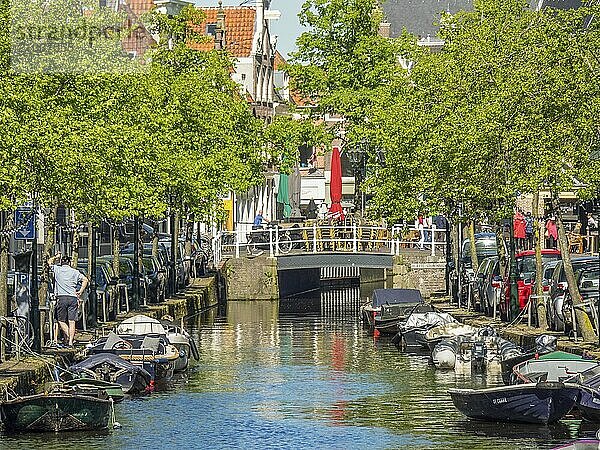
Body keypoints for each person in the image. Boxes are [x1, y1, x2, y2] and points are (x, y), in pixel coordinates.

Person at [48, 252, 88, 347]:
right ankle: (70, 341)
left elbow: (49, 262)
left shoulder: (57, 269)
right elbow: (85, 280)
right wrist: (80, 291)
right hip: (73, 298)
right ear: (69, 263)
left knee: (61, 321)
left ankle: (69, 336)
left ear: (62, 263)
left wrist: (56, 257)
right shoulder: (75, 272)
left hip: (61, 297)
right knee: (72, 321)